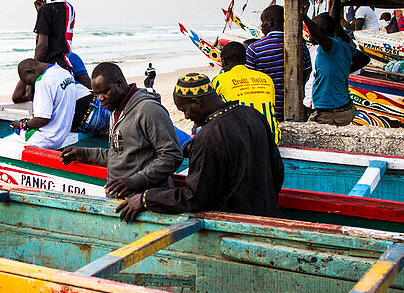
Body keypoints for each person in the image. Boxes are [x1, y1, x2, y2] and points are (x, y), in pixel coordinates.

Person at [120, 73, 283, 222]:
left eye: (185, 109)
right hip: (268, 215)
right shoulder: (253, 115)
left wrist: (146, 199)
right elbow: (277, 169)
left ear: (196, 103)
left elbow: (196, 197)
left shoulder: (208, 137)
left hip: (236, 224)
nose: (186, 116)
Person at [60, 63, 182, 208]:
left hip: (145, 204)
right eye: (96, 94)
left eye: (104, 92)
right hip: (122, 203)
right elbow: (120, 155)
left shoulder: (148, 110)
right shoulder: (116, 111)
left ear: (119, 83)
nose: (100, 99)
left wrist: (135, 181)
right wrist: (83, 153)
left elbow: (172, 156)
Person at [245, 5, 311, 121]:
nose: (261, 26)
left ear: (269, 22)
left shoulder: (255, 49)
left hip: (266, 109)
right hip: (296, 109)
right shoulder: (302, 47)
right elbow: (306, 76)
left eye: (262, 22)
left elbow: (249, 82)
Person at [6, 59, 83, 149]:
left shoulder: (43, 81)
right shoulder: (65, 73)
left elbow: (42, 119)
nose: (32, 84)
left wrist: (22, 125)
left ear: (30, 71)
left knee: (0, 145)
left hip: (44, 139)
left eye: (29, 82)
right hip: (60, 137)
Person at [213, 42, 281, 144]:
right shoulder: (266, 78)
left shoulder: (219, 80)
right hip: (271, 139)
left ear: (224, 61)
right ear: (245, 60)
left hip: (240, 142)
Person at [304, 12, 363, 126]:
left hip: (327, 111)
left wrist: (304, 16)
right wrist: (345, 71)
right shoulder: (344, 46)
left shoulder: (330, 46)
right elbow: (364, 59)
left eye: (313, 32)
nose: (310, 36)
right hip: (344, 107)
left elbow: (321, 38)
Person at [32, 0, 80, 77]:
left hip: (50, 64)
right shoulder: (70, 8)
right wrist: (41, 13)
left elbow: (42, 46)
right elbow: (58, 29)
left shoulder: (46, 10)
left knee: (18, 94)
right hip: (66, 62)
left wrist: (34, 68)